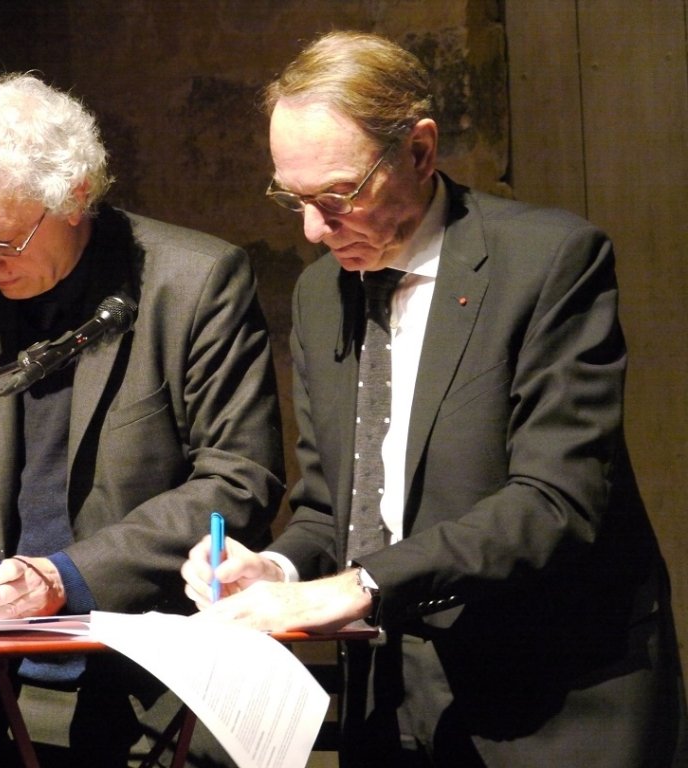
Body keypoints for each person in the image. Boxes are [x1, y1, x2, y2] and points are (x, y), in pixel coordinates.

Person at [182, 30, 687, 767]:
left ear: (419, 152)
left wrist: (355, 587)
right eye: (293, 198)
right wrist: (279, 572)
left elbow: (554, 500)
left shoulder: (548, 262)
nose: (314, 230)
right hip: (395, 699)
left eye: (338, 196)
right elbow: (334, 506)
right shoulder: (324, 293)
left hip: (557, 702)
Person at [0, 73, 284, 767]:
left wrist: (66, 576)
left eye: (1, 242)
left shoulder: (194, 283)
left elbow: (240, 479)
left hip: (160, 689)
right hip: (3, 691)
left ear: (74, 198)